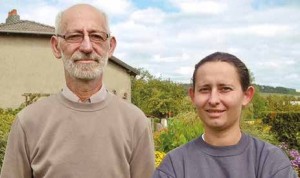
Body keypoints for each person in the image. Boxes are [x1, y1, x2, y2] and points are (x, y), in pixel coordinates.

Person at [0, 4, 155, 178]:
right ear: (56, 46)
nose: (87, 47)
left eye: (96, 36)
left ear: (110, 46)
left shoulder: (135, 123)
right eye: (75, 36)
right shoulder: (28, 123)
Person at [153, 52, 297, 178]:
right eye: (204, 89)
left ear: (246, 95)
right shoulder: (174, 166)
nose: (213, 100)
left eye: (225, 89)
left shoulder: (270, 162)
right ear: (193, 96)